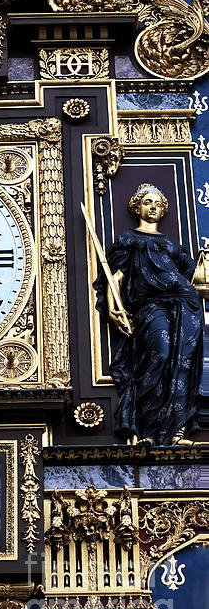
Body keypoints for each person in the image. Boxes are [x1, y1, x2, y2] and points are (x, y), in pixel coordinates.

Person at [95, 184, 204, 446]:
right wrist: (113, 309)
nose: (152, 206)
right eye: (147, 202)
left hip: (185, 305)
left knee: (181, 367)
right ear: (137, 207)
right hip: (151, 304)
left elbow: (197, 279)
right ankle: (149, 431)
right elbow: (116, 278)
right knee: (161, 355)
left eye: (157, 203)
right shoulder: (129, 240)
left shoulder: (173, 246)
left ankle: (176, 433)